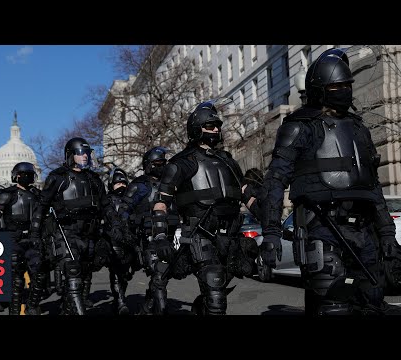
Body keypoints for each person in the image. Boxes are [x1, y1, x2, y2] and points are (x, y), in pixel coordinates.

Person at [258, 48, 401, 315]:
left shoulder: (359, 128)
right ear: (320, 88)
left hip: (364, 231)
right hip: (323, 228)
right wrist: (271, 233)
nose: (344, 90)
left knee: (371, 305)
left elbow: (374, 189)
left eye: (347, 84)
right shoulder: (299, 126)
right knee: (333, 306)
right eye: (337, 85)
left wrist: (387, 235)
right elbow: (275, 181)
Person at [149, 102, 259, 315]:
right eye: (210, 125)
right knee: (216, 294)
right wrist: (161, 236)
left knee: (216, 292)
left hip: (230, 236)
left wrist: (271, 225)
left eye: (217, 125)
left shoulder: (227, 160)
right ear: (197, 128)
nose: (216, 129)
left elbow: (247, 195)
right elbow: (161, 202)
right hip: (201, 234)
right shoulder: (180, 163)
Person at [29, 137, 118, 315]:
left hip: (90, 234)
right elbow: (42, 206)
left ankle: (68, 309)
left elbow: (106, 205)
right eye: (80, 153)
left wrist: (115, 224)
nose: (84, 157)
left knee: (84, 277)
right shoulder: (58, 178)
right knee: (73, 276)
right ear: (70, 155)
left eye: (86, 153)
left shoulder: (94, 179)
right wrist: (35, 233)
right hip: (67, 233)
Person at [117, 146, 179, 315]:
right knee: (159, 274)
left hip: (171, 236)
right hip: (148, 238)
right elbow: (123, 211)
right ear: (149, 164)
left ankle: (148, 306)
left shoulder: (171, 185)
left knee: (164, 275)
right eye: (158, 163)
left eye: (164, 163)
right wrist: (128, 231)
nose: (162, 166)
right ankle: (159, 309)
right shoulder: (139, 186)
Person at [0, 162, 45, 315]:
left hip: (32, 240)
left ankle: (32, 305)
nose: (28, 177)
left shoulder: (36, 195)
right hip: (13, 240)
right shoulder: (8, 194)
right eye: (24, 174)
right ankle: (14, 312)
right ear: (17, 176)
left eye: (30, 174)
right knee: (16, 282)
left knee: (40, 275)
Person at [102, 167, 136, 315]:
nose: (121, 185)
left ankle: (117, 300)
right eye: (117, 183)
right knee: (116, 272)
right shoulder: (107, 200)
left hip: (130, 240)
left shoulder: (132, 200)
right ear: (111, 185)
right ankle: (121, 302)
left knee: (125, 274)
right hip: (113, 241)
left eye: (123, 183)